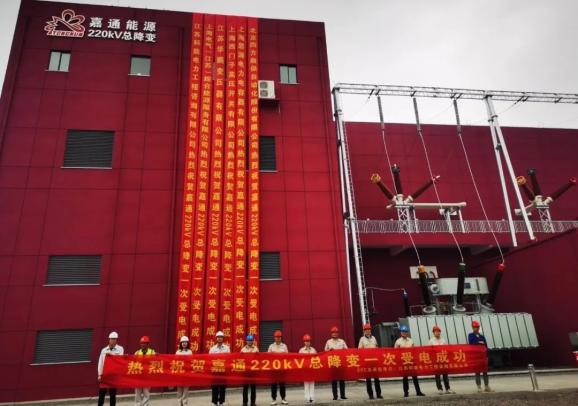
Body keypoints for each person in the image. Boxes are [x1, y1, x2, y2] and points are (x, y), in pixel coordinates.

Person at [394, 326, 425, 398]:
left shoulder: (411, 341)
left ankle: (418, 391)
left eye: (405, 332)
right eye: (403, 332)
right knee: (405, 378)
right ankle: (406, 392)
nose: (404, 333)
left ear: (407, 333)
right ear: (401, 333)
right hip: (403, 362)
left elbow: (414, 351)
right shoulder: (398, 341)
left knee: (415, 377)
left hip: (411, 362)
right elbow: (395, 352)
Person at [97, 331, 124, 406]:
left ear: (116, 340)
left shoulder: (120, 349)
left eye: (114, 339)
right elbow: (100, 362)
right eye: (112, 339)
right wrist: (99, 374)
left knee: (112, 395)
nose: (113, 340)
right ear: (109, 339)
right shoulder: (104, 350)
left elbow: (120, 360)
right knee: (101, 394)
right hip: (104, 375)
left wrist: (111, 355)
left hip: (113, 376)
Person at [358, 323, 382, 399]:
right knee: (368, 379)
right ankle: (370, 395)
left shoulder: (374, 338)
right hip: (367, 362)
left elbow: (377, 347)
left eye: (369, 329)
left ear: (370, 330)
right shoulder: (362, 339)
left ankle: (378, 394)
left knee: (376, 379)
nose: (368, 331)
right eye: (366, 330)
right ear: (364, 331)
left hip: (374, 362)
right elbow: (359, 350)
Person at [428, 326, 455, 395]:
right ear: (433, 333)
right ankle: (440, 389)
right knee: (437, 376)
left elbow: (446, 349)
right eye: (435, 331)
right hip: (436, 361)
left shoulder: (443, 340)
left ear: (440, 332)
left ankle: (447, 388)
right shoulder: (431, 341)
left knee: (445, 375)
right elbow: (429, 351)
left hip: (443, 359)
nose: (437, 333)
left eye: (438, 331)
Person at [468, 321, 493, 393]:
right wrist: (479, 342)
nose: (476, 328)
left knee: (485, 372)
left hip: (483, 357)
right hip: (476, 357)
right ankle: (479, 386)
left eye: (477, 327)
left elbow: (485, 346)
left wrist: (487, 356)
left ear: (479, 328)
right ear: (472, 328)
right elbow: (471, 343)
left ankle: (486, 386)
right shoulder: (470, 335)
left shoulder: (482, 336)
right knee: (477, 372)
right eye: (474, 327)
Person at [324, 326, 347, 401]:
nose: (335, 334)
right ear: (331, 334)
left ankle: (343, 395)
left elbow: (347, 350)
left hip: (340, 363)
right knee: (334, 381)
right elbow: (325, 351)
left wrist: (342, 351)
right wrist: (329, 350)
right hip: (333, 363)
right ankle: (335, 396)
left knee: (342, 380)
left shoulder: (342, 341)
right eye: (333, 333)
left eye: (336, 332)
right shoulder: (328, 342)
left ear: (338, 333)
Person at [209, 331, 230, 406]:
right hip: (215, 370)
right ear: (216, 338)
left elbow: (228, 359)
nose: (219, 338)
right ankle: (214, 402)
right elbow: (209, 359)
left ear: (223, 338)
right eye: (218, 337)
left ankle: (221, 402)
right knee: (214, 387)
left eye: (221, 337)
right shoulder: (212, 349)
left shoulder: (227, 348)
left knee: (222, 387)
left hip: (223, 370)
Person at [268, 330, 289, 405]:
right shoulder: (271, 346)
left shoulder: (284, 346)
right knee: (273, 384)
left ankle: (283, 398)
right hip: (273, 369)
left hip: (281, 368)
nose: (278, 338)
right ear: (274, 338)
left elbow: (287, 356)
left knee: (282, 384)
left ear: (281, 338)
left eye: (279, 337)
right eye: (277, 337)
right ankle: (273, 399)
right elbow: (268, 357)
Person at [134, 336, 156, 406]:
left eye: (144, 343)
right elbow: (132, 363)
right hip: (138, 376)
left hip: (147, 376)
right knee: (137, 393)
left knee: (146, 393)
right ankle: (138, 405)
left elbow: (155, 362)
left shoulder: (152, 352)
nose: (143, 344)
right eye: (142, 343)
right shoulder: (137, 353)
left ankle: (145, 405)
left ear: (148, 344)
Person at [241, 334, 259, 406]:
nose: (250, 342)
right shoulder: (243, 349)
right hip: (245, 372)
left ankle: (253, 402)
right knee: (245, 388)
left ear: (253, 341)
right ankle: (245, 402)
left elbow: (258, 359)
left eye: (251, 340)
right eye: (248, 340)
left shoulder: (256, 349)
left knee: (253, 388)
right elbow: (240, 360)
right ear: (246, 341)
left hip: (253, 371)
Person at [298, 334, 317, 403]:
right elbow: (299, 360)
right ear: (304, 342)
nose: (307, 342)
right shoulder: (301, 350)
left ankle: (312, 397)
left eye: (308, 341)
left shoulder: (313, 350)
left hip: (312, 369)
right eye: (306, 341)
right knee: (306, 384)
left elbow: (317, 358)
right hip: (305, 369)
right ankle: (307, 398)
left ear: (310, 342)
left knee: (312, 384)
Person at [176, 336, 192, 405]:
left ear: (187, 343)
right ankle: (179, 403)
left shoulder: (190, 352)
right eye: (183, 342)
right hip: (179, 373)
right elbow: (175, 363)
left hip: (187, 373)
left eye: (185, 342)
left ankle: (185, 404)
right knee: (179, 390)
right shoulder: (178, 352)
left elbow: (191, 362)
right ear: (181, 343)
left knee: (186, 390)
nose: (184, 343)